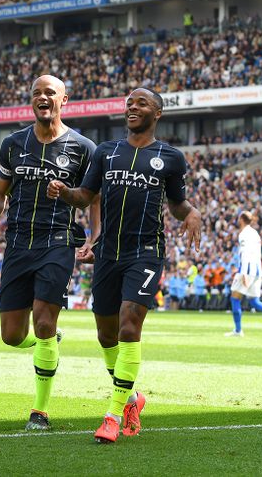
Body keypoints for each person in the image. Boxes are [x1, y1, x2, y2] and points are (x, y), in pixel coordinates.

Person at [47, 88, 202, 444]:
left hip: (145, 253)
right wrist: (64, 191)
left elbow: (177, 204)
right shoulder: (106, 152)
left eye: (141, 103)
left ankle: (113, 416)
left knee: (129, 327)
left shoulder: (171, 157)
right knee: (106, 335)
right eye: (129, 103)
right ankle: (132, 398)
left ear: (157, 113)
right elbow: (85, 196)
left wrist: (191, 212)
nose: (132, 107)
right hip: (107, 254)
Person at [0, 75, 98, 432]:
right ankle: (49, 341)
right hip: (17, 244)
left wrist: (95, 238)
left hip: (58, 241)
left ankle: (40, 412)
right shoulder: (13, 144)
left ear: (64, 100)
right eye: (37, 93)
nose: (43, 97)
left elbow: (93, 199)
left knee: (43, 320)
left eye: (50, 93)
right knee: (12, 335)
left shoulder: (82, 147)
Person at [225, 211, 262, 336]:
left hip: (247, 269)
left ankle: (238, 330)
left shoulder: (244, 234)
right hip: (257, 270)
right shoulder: (255, 233)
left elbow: (245, 253)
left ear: (241, 219)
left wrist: (243, 273)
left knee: (234, 298)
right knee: (254, 302)